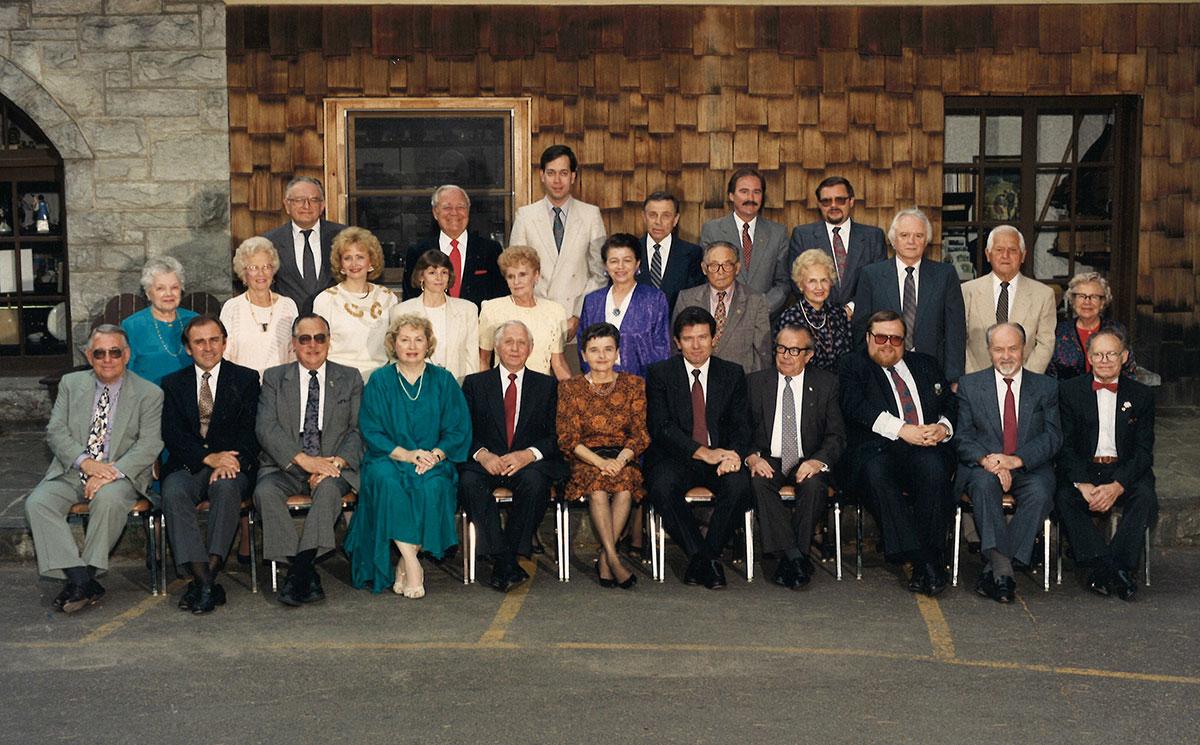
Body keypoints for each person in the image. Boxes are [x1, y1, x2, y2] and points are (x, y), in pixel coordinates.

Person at [24, 325, 163, 614]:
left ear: (126, 355)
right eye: (100, 353)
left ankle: (83, 578)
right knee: (38, 503)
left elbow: (150, 444)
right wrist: (86, 463)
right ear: (89, 356)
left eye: (115, 352)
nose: (107, 359)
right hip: (73, 469)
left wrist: (111, 472)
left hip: (120, 474)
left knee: (108, 500)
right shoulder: (70, 384)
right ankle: (81, 580)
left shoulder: (149, 393)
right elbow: (56, 432)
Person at [345, 314, 471, 598]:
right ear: (393, 344)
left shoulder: (443, 380)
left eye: (418, 339)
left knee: (434, 486)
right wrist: (407, 455)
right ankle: (413, 563)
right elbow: (372, 429)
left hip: (433, 460)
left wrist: (434, 456)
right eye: (405, 340)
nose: (412, 346)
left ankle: (403, 562)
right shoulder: (379, 380)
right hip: (388, 458)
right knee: (387, 483)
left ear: (428, 344)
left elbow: (457, 428)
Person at [840, 311, 958, 596]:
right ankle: (925, 560)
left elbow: (950, 403)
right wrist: (903, 430)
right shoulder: (853, 365)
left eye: (895, 339)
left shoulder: (926, 364)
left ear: (905, 341)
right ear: (868, 337)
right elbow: (855, 406)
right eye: (880, 337)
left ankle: (922, 564)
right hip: (878, 449)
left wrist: (942, 428)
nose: (887, 344)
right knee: (876, 474)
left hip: (925, 446)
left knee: (934, 470)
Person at [254, 314, 362, 607]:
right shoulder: (274, 378)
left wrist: (335, 465)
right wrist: (304, 461)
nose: (313, 345)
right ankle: (306, 573)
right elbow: (266, 428)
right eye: (305, 339)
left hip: (332, 466)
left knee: (327, 492)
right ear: (293, 343)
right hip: (286, 463)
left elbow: (358, 429)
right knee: (265, 491)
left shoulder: (350, 377)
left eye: (319, 338)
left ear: (329, 341)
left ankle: (298, 572)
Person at [644, 306, 754, 589]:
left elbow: (742, 425)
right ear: (677, 342)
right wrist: (703, 452)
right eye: (688, 338)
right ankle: (706, 559)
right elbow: (661, 427)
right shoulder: (660, 373)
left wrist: (733, 455)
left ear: (713, 339)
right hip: (676, 457)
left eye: (703, 337)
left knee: (740, 486)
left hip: (721, 458)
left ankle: (703, 558)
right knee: (662, 487)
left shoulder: (731, 373)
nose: (696, 345)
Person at [953, 323, 1062, 604]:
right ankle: (1004, 571)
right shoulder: (969, 386)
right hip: (985, 467)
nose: (1006, 356)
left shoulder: (1046, 387)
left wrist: (1015, 460)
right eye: (998, 349)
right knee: (982, 485)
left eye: (1013, 348)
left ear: (1024, 349)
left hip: (1029, 466)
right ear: (989, 351)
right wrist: (988, 461)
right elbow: (962, 437)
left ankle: (996, 569)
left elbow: (1053, 437)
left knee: (1040, 493)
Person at [159, 316, 260, 614]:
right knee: (173, 492)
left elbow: (252, 431)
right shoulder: (172, 383)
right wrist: (207, 458)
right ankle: (206, 582)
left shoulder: (245, 379)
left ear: (225, 343)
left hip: (231, 465)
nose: (208, 347)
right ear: (188, 348)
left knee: (227, 489)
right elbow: (172, 433)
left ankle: (205, 578)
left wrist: (230, 460)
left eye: (214, 340)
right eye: (199, 342)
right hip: (188, 465)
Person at [460, 321, 565, 592]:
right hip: (486, 462)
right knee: (469, 482)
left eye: (521, 343)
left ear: (531, 348)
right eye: (508, 342)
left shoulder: (547, 386)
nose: (515, 348)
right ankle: (505, 560)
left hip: (527, 464)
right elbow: (461, 430)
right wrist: (483, 455)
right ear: (496, 347)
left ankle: (503, 561)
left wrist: (528, 455)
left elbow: (557, 435)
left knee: (536, 484)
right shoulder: (475, 383)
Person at [1054, 328, 1156, 601]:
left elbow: (1144, 451)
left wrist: (1118, 485)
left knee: (1145, 496)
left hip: (1124, 469)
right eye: (1098, 355)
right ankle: (1110, 567)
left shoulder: (1142, 395)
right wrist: (1083, 483)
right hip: (1086, 469)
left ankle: (1110, 567)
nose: (1105, 360)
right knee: (1064, 496)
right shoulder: (1069, 391)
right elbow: (1065, 446)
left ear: (1124, 357)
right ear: (1089, 357)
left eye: (1111, 354)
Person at [746, 325, 845, 590]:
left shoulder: (826, 384)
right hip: (770, 457)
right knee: (758, 481)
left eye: (794, 350)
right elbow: (741, 430)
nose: (785, 356)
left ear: (809, 355)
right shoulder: (756, 382)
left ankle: (790, 559)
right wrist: (752, 457)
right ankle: (796, 557)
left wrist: (817, 461)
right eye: (781, 348)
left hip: (807, 458)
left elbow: (836, 436)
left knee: (813, 486)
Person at [559, 323, 651, 589]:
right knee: (597, 488)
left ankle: (604, 558)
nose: (601, 356)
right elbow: (567, 438)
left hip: (623, 456)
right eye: (594, 350)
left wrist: (620, 461)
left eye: (608, 349)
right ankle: (613, 558)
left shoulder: (634, 385)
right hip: (586, 457)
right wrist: (600, 462)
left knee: (625, 486)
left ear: (617, 352)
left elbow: (640, 434)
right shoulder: (570, 388)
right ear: (584, 354)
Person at [509, 145, 607, 350]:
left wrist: (578, 315)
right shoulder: (526, 216)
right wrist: (534, 312)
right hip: (535, 323)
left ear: (573, 176)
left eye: (563, 173)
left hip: (576, 325)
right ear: (542, 175)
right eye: (551, 173)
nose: (557, 180)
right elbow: (516, 272)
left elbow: (599, 274)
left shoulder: (590, 215)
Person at [852, 208, 967, 382]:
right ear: (893, 239)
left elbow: (955, 332)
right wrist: (865, 373)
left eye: (918, 235)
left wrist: (954, 379)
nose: (911, 241)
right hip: (881, 371)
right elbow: (861, 329)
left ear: (926, 240)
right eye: (904, 235)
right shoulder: (871, 275)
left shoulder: (945, 275)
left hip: (932, 371)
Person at [961, 226, 1056, 375]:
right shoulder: (967, 292)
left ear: (1023, 256)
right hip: (977, 379)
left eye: (1012, 250)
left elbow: (1046, 343)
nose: (1005, 255)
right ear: (988, 254)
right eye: (999, 249)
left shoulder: (1043, 295)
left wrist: (1024, 379)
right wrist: (974, 379)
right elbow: (959, 341)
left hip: (1025, 381)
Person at [787, 176, 886, 314]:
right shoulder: (802, 236)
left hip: (861, 318)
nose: (833, 205)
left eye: (840, 200)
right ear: (819, 204)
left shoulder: (873, 237)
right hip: (817, 319)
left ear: (851, 201)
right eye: (826, 201)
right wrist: (828, 313)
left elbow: (878, 282)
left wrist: (851, 308)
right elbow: (796, 282)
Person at [312, 226, 399, 383]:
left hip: (379, 381)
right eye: (347, 258)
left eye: (360, 257)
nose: (354, 263)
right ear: (340, 264)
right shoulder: (325, 300)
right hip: (338, 381)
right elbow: (317, 348)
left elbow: (395, 345)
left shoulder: (388, 298)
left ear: (371, 261)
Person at [699, 168, 792, 315]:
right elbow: (707, 278)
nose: (751, 198)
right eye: (744, 191)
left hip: (764, 318)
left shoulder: (778, 233)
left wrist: (761, 309)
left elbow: (783, 283)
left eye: (757, 192)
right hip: (723, 317)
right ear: (731, 195)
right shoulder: (712, 230)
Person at [578, 233, 671, 378]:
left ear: (637, 263)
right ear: (605, 265)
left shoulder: (654, 299)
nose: (620, 266)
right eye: (614, 261)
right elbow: (582, 345)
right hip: (598, 382)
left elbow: (662, 349)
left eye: (627, 260)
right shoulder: (593, 301)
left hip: (642, 383)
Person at [401, 185, 507, 307]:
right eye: (447, 207)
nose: (454, 213)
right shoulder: (418, 252)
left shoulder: (490, 250)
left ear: (468, 211)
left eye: (461, 207)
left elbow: (500, 299)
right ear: (435, 213)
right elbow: (411, 301)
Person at [673, 242, 771, 374]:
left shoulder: (755, 300)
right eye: (714, 265)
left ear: (737, 268)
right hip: (696, 380)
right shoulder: (686, 298)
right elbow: (676, 348)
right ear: (704, 268)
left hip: (741, 380)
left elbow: (762, 354)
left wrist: (754, 384)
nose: (720, 272)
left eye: (727, 265)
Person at [478, 245, 571, 380]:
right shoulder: (492, 309)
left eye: (522, 274)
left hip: (541, 387)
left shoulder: (555, 311)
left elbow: (558, 363)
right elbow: (483, 360)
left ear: (536, 275)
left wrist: (573, 391)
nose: (516, 282)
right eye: (510, 276)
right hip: (504, 387)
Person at [262, 176, 348, 314]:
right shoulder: (269, 242)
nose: (306, 206)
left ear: (322, 206)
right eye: (298, 200)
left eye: (313, 200)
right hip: (288, 321)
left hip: (336, 319)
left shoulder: (344, 236)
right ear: (287, 205)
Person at [394, 249, 480, 383]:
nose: (439, 278)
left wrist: (468, 390)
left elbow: (472, 359)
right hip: (415, 386)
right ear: (421, 277)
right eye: (432, 272)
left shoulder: (468, 310)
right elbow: (396, 359)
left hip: (456, 386)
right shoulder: (401, 311)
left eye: (444, 272)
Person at [221, 236, 299, 380]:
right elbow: (225, 355)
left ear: (273, 271)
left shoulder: (288, 306)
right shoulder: (232, 308)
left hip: (280, 385)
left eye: (266, 267)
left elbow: (294, 352)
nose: (261, 273)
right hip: (243, 386)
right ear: (244, 274)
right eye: (253, 268)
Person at [121, 256, 198, 386]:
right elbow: (123, 372)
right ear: (148, 293)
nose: (169, 294)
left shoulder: (195, 321)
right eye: (160, 288)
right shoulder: (131, 326)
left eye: (174, 287)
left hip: (189, 394)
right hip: (148, 396)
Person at [774, 249, 853, 372]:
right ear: (800, 285)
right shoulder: (790, 318)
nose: (819, 287)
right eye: (812, 281)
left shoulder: (839, 314)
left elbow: (848, 358)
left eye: (824, 280)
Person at [1048, 272, 1137, 380]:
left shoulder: (1116, 330)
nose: (1087, 302)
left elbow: (1129, 372)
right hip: (1066, 390)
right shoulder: (1059, 331)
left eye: (1094, 297)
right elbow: (1050, 375)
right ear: (1073, 300)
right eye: (1081, 296)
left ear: (1103, 302)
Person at [635, 191, 705, 314]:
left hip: (677, 323)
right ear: (644, 217)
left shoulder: (692, 253)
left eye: (666, 215)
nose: (658, 221)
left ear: (675, 219)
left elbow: (695, 299)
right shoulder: (631, 251)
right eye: (653, 215)